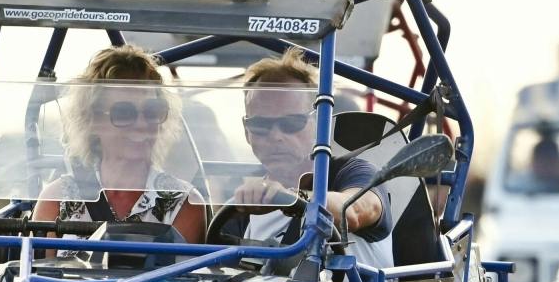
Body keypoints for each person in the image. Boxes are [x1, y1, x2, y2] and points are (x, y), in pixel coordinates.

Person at [228, 50, 391, 264]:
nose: (276, 136)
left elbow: (354, 210)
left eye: (291, 123)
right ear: (246, 130)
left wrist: (290, 199)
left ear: (317, 124)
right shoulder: (244, 204)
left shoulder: (354, 172)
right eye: (260, 125)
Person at [33, 44, 207, 242]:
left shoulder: (184, 204)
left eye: (152, 111)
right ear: (94, 120)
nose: (142, 124)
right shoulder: (56, 201)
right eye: (124, 113)